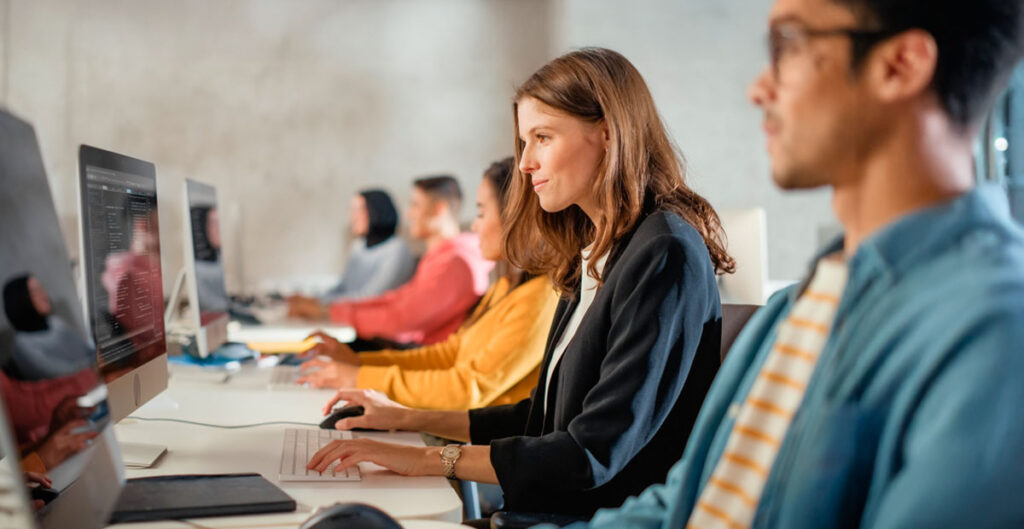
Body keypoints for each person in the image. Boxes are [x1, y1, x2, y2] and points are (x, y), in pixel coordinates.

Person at [552, 1, 1024, 528]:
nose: (759, 88)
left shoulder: (995, 330)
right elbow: (688, 506)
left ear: (900, 66)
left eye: (787, 47)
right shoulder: (800, 302)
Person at [303, 48, 733, 519]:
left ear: (608, 133)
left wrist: (429, 459)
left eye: (542, 138)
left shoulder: (664, 253)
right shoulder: (595, 250)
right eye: (524, 142)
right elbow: (541, 420)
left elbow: (587, 454)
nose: (525, 163)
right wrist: (404, 418)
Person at [296, 157, 560, 410]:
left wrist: (360, 375)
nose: (475, 226)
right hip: (439, 398)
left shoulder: (534, 298)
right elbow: (451, 353)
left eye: (481, 213)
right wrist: (358, 363)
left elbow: (467, 386)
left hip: (464, 426)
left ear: (515, 217)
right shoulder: (505, 286)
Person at [290, 177, 493, 348]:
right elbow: (396, 300)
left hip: (418, 356)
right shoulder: (441, 257)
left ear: (439, 209)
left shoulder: (455, 263)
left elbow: (402, 320)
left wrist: (330, 312)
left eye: (415, 205)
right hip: (411, 351)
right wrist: (327, 309)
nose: (408, 214)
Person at [297, 189, 417, 304]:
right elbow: (343, 288)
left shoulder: (397, 250)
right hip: (345, 314)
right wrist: (314, 299)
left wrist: (321, 304)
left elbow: (370, 298)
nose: (353, 217)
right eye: (351, 211)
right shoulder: (358, 247)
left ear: (377, 211)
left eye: (359, 211)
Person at [2, 275, 94, 380]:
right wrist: (94, 364)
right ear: (20, 300)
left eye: (42, 289)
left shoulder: (55, 323)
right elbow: (58, 375)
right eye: (35, 292)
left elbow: (87, 351)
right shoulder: (23, 344)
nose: (44, 295)